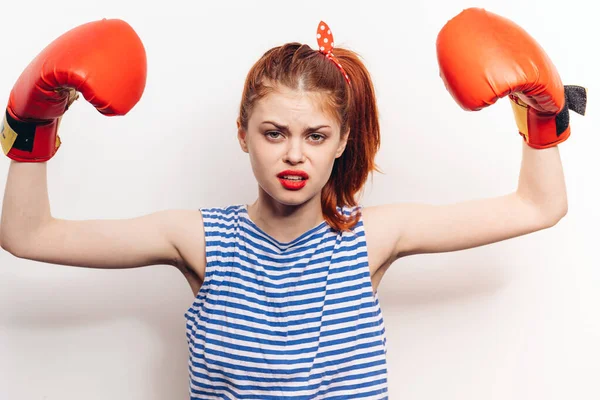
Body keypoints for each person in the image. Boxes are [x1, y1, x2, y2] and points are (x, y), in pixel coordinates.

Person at [0, 8, 587, 400]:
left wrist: (542, 117)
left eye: (315, 136)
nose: (294, 156)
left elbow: (539, 205)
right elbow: (29, 235)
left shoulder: (372, 238)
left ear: (342, 143)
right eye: (274, 132)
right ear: (243, 132)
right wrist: (29, 132)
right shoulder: (201, 239)